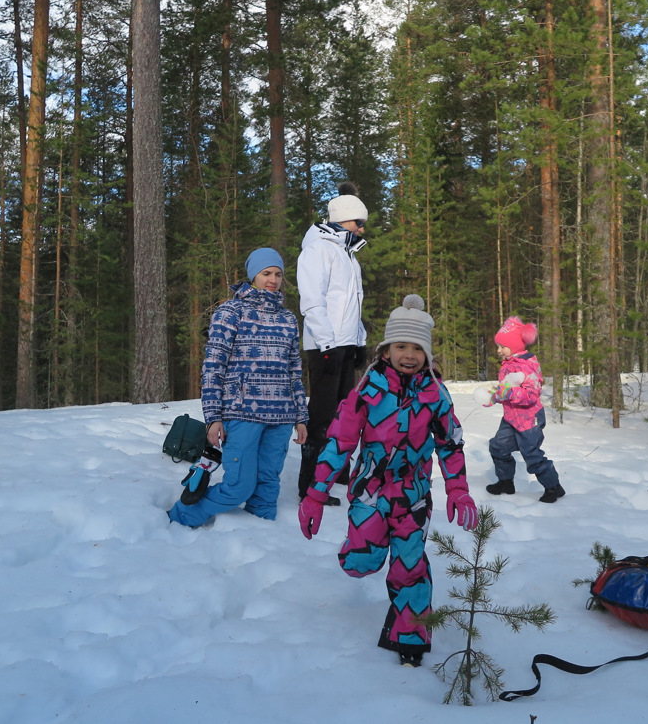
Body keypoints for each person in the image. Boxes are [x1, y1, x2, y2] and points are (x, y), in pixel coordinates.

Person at [298, 295, 477, 668]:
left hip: (412, 497)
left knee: (410, 565)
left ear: (427, 353)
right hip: (370, 494)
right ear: (387, 349)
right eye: (401, 346)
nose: (408, 355)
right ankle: (361, 550)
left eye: (416, 348)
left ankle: (409, 635)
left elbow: (450, 444)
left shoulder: (435, 395)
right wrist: (316, 494)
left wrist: (458, 489)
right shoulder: (367, 390)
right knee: (360, 563)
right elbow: (340, 442)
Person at [167, 248, 308, 528]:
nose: (273, 279)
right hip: (241, 413)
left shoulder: (288, 319)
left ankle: (259, 541)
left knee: (268, 487)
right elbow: (213, 366)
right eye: (267, 273)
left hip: (280, 417)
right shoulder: (231, 311)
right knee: (239, 487)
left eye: (278, 274)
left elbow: (295, 370)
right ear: (253, 274)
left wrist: (301, 417)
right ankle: (181, 517)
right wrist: (213, 417)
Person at [296, 182, 369, 506]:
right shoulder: (318, 249)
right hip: (325, 346)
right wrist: (327, 345)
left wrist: (359, 341)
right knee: (322, 416)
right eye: (358, 222)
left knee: (345, 414)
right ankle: (310, 483)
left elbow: (353, 303)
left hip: (345, 344)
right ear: (342, 220)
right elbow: (312, 302)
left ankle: (337, 470)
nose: (363, 227)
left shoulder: (348, 254)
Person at [483, 316, 564, 503]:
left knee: (531, 453)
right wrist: (494, 396)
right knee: (498, 447)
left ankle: (554, 487)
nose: (499, 350)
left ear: (515, 346)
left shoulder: (527, 366)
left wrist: (509, 393)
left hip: (529, 419)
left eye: (503, 346)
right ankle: (505, 482)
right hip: (511, 418)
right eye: (498, 346)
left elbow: (530, 395)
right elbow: (506, 389)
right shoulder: (509, 364)